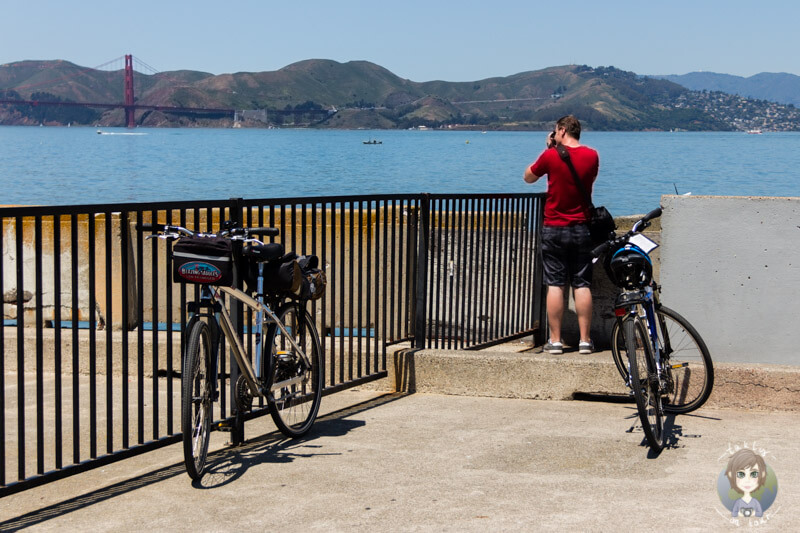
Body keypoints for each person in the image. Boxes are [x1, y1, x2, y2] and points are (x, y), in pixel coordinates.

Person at [523, 115, 599, 354]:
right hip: (582, 228)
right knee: (582, 284)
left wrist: (550, 148)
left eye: (556, 131)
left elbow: (529, 177)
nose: (554, 134)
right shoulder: (592, 155)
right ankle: (585, 340)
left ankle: (555, 341)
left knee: (555, 284)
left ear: (562, 130)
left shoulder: (551, 155)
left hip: (554, 227)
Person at [725, 449, 767, 518]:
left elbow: (760, 513)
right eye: (741, 474)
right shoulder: (738, 502)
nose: (747, 480)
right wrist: (740, 514)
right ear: (731, 475)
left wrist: (752, 513)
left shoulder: (755, 502)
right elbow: (734, 514)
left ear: (762, 474)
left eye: (754, 474)